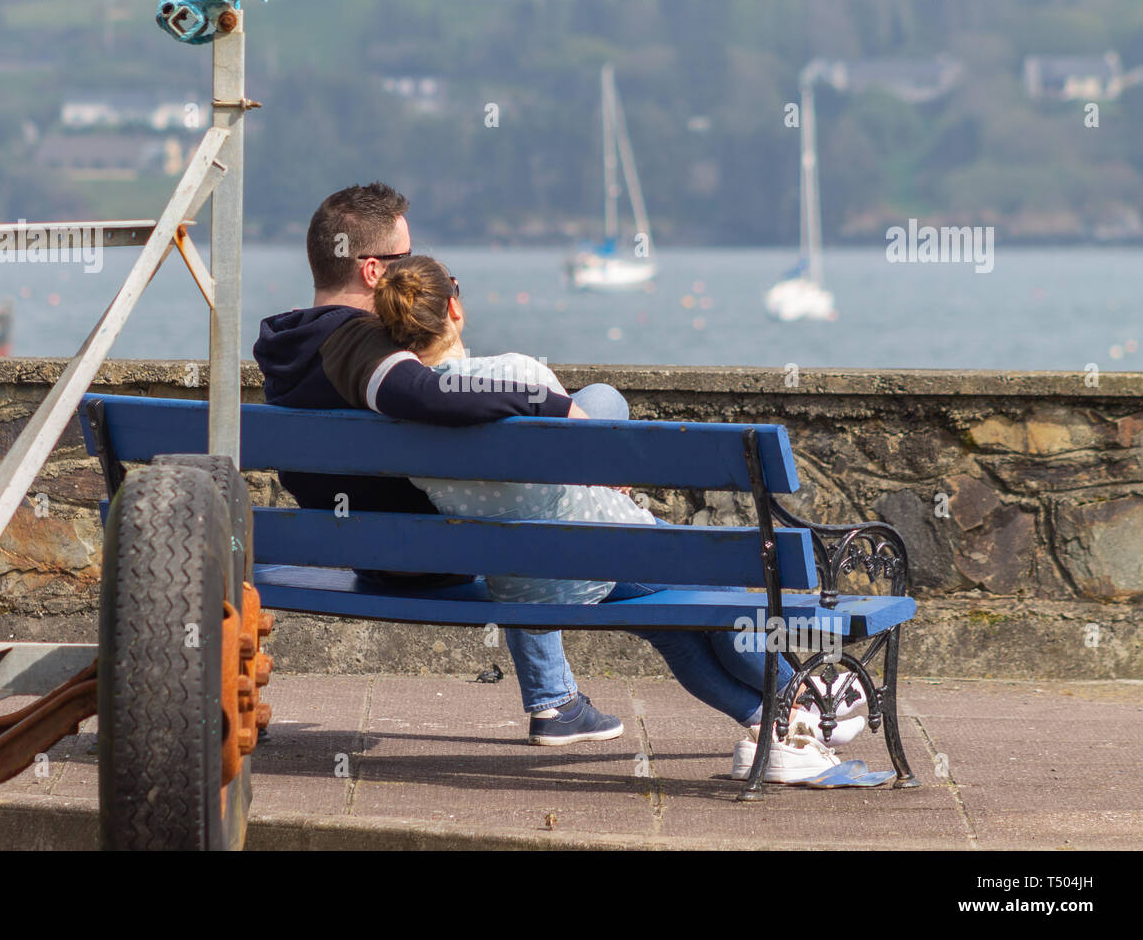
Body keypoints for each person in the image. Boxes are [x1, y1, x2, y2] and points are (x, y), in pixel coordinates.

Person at [366, 254, 871, 780]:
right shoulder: (516, 373)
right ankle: (813, 699)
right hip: (603, 552)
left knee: (675, 632)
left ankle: (780, 721)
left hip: (522, 586)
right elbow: (588, 454)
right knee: (714, 601)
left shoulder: (397, 416)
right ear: (454, 306)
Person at [252, 182, 625, 746]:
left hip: (362, 549)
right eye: (407, 260)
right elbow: (426, 396)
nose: (415, 272)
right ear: (373, 270)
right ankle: (554, 695)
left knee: (524, 463)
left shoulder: (290, 343)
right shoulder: (355, 342)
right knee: (600, 404)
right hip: (432, 552)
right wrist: (553, 404)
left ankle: (558, 698)